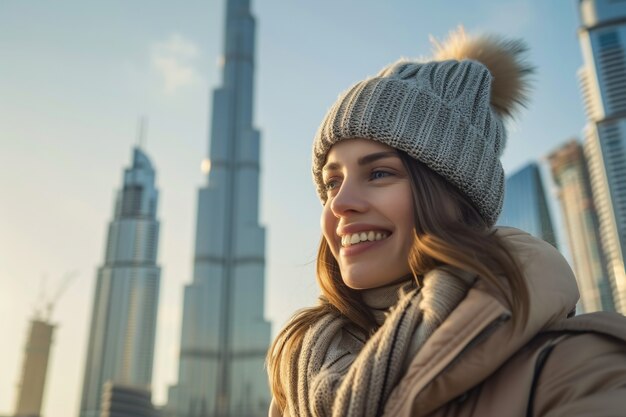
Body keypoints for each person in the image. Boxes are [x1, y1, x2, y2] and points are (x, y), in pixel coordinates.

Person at [266, 27, 626, 417]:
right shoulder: (301, 377)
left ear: (455, 197)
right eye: (332, 182)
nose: (341, 204)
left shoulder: (580, 368)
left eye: (379, 174)